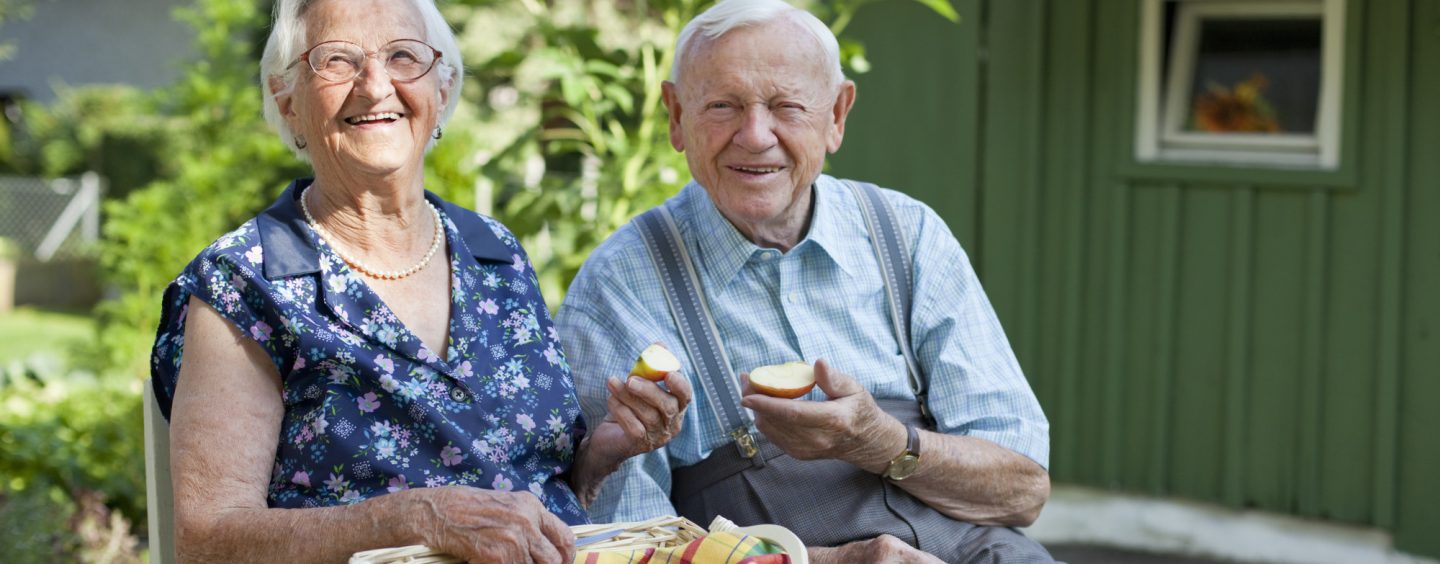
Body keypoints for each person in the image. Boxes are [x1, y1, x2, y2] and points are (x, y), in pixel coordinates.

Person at [148, 0, 691, 562]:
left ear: (442, 88)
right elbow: (209, 540)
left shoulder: (494, 251)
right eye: (337, 61)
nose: (375, 85)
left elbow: (526, 488)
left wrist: (604, 452)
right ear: (286, 98)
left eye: (403, 56)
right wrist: (410, 518)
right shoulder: (244, 283)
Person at [556, 0, 1052, 562]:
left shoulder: (906, 235)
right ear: (675, 115)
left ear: (837, 115)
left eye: (787, 105)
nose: (755, 135)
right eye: (723, 105)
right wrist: (826, 560)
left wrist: (882, 441)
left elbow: (1022, 492)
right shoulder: (621, 287)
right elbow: (625, 545)